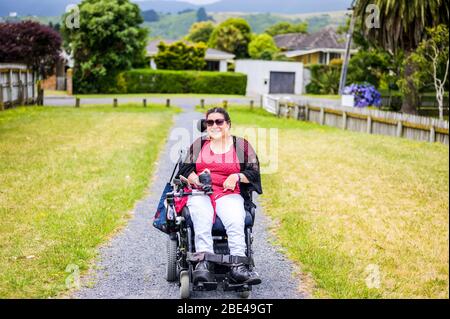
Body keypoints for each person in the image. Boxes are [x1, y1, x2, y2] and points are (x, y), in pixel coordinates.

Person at [176, 107, 262, 285]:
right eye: (210, 122)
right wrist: (198, 180)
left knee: (235, 219)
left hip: (228, 193)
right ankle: (204, 264)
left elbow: (254, 173)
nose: (214, 125)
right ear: (206, 125)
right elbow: (184, 170)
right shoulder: (199, 145)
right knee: (201, 217)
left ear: (228, 124)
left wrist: (236, 176)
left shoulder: (241, 146)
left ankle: (238, 266)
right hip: (201, 192)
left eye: (219, 122)